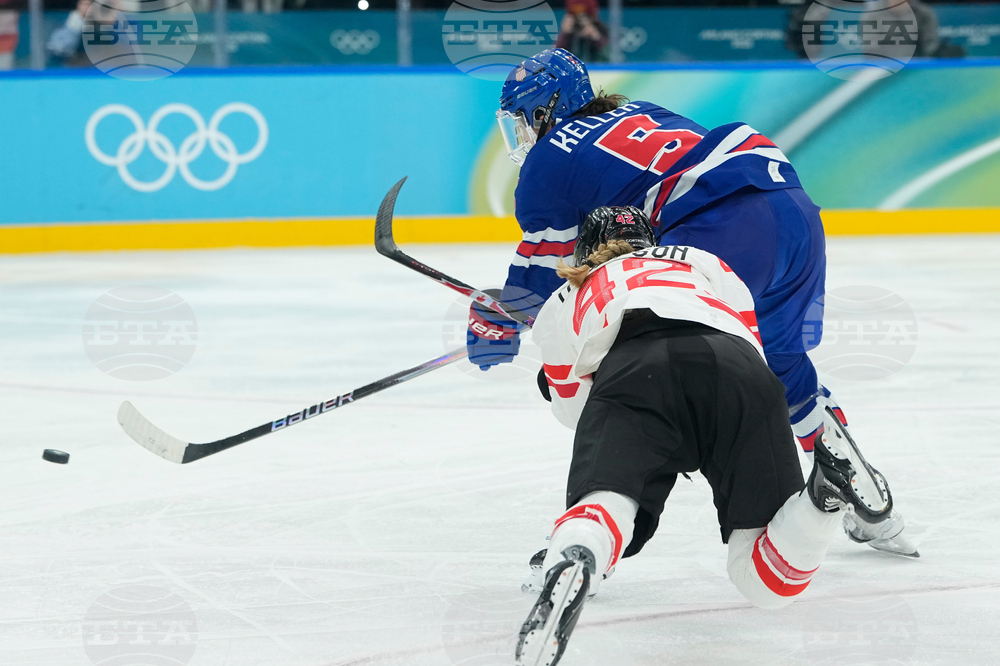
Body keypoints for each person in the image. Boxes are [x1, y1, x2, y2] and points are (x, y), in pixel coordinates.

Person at [467, 47, 916, 556]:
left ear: (545, 112)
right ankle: (869, 500)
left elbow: (541, 275)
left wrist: (499, 319)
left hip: (717, 227)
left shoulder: (549, 158)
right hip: (791, 213)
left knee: (650, 368)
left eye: (523, 123)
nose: (523, 137)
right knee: (784, 365)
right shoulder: (636, 112)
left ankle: (596, 538)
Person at [515, 206, 896, 666]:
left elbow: (574, 410)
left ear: (583, 248)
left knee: (609, 502)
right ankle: (824, 495)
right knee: (765, 583)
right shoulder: (700, 260)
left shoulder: (564, 296)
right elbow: (747, 337)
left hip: (638, 370)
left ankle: (576, 557)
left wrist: (639, 430)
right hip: (742, 373)